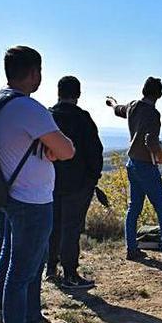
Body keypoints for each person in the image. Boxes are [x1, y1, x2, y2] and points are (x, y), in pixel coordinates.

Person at [0, 46, 75, 323]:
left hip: (10, 195)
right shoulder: (28, 108)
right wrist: (55, 147)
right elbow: (66, 150)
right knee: (21, 272)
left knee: (21, 263)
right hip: (31, 200)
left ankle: (31, 318)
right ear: (33, 73)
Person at [106, 77, 162, 263]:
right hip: (147, 166)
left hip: (132, 163)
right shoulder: (153, 114)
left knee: (134, 208)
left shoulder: (133, 106)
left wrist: (112, 103)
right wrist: (159, 153)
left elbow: (119, 110)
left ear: (143, 90)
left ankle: (131, 249)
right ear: (159, 94)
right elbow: (151, 140)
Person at [45, 76, 104, 289]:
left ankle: (51, 268)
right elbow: (95, 152)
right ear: (78, 94)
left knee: (53, 226)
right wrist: (92, 179)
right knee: (71, 228)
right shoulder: (83, 119)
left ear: (58, 92)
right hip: (78, 184)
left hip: (50, 182)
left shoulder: (48, 116)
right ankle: (70, 273)